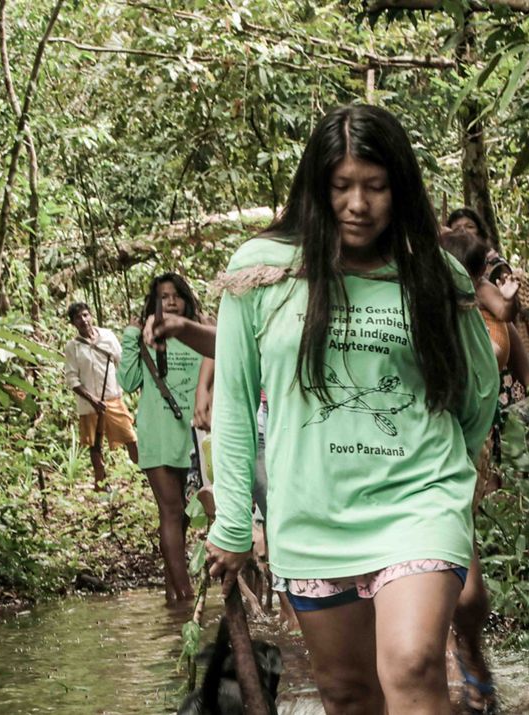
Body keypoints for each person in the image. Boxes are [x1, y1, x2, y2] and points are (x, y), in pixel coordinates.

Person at [205, 105, 499, 715]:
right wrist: (233, 524)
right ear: (317, 188)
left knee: (412, 665)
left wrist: (448, 472)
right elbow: (233, 399)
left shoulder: (435, 274)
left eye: (375, 186)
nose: (357, 204)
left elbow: (477, 392)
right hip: (313, 514)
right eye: (341, 186)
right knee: (347, 694)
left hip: (417, 498)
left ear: (401, 188)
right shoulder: (261, 271)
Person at [439, 225, 529, 714]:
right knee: (457, 590)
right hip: (423, 454)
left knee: (471, 599)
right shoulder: (416, 293)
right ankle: (450, 673)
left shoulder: (476, 301)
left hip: (468, 450)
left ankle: (468, 659)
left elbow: (507, 321)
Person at [118, 273, 205, 605]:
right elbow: (128, 382)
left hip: (194, 434)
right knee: (171, 511)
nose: (170, 302)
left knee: (185, 515)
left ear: (186, 299)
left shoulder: (198, 334)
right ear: (154, 303)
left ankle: (173, 594)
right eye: (163, 296)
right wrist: (131, 334)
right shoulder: (146, 336)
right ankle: (186, 597)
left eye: (176, 295)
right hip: (158, 433)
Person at [62, 302, 138, 490]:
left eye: (85, 315)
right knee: (95, 445)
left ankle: (143, 474)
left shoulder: (107, 336)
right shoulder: (72, 347)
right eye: (78, 318)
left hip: (113, 398)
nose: (83, 320)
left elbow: (122, 361)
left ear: (91, 316)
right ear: (73, 323)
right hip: (89, 404)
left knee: (130, 437)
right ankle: (101, 483)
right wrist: (92, 400)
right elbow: (71, 378)